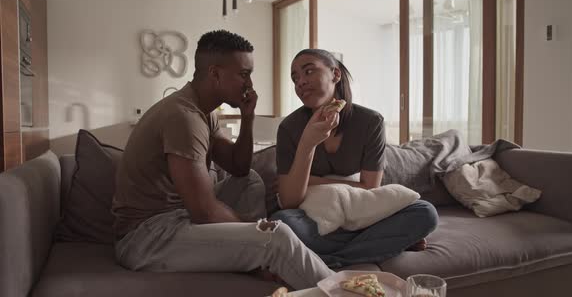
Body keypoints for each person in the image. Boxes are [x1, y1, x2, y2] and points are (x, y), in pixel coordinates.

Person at [112, 30, 334, 290]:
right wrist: (257, 231)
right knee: (276, 237)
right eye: (244, 74)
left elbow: (239, 167)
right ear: (215, 74)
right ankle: (344, 290)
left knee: (250, 181)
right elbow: (204, 211)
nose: (250, 84)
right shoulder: (182, 117)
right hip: (145, 238)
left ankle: (253, 258)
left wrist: (247, 117)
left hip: (177, 217)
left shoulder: (204, 112)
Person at [270, 48, 439, 268]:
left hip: (360, 214)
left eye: (308, 71)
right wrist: (307, 144)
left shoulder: (370, 122)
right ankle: (376, 246)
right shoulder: (289, 128)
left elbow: (370, 187)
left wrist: (311, 180)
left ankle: (328, 260)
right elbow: (290, 200)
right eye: (295, 78)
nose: (300, 82)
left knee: (425, 213)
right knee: (282, 223)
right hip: (315, 218)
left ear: (335, 74)